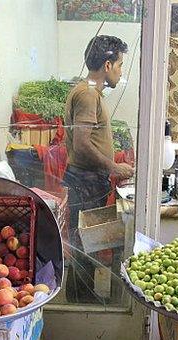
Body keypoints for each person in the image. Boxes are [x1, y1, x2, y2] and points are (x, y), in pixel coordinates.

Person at [63, 35, 134, 301]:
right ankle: (82, 301)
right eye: (120, 65)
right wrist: (113, 166)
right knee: (84, 243)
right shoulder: (88, 94)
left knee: (87, 242)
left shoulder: (90, 92)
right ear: (107, 64)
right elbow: (81, 145)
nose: (120, 70)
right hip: (85, 180)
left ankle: (83, 295)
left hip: (89, 179)